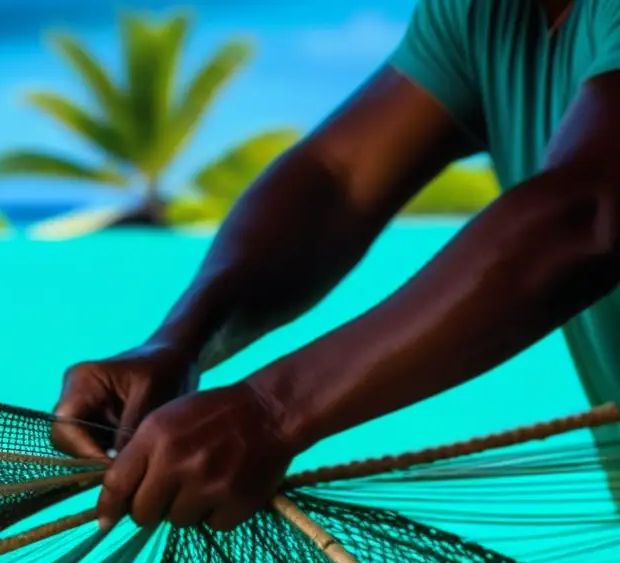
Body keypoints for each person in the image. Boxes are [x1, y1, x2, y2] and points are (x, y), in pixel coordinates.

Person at [52, 0, 620, 533]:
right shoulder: (484, 15)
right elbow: (337, 179)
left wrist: (273, 409)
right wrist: (178, 343)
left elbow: (588, 211)